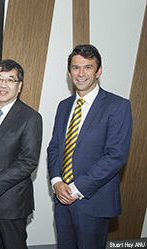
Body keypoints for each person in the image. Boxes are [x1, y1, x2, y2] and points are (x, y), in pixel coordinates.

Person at [47, 44, 133, 249]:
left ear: (98, 71)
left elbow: (115, 156)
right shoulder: (64, 105)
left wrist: (76, 189)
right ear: (69, 72)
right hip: (61, 202)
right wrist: (57, 182)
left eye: (88, 67)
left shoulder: (118, 106)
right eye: (76, 67)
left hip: (94, 202)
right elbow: (54, 148)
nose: (81, 73)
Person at [0, 59, 43, 249]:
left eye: (10, 80)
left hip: (10, 203)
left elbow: (28, 162)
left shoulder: (31, 118)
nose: (3, 85)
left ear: (19, 86)